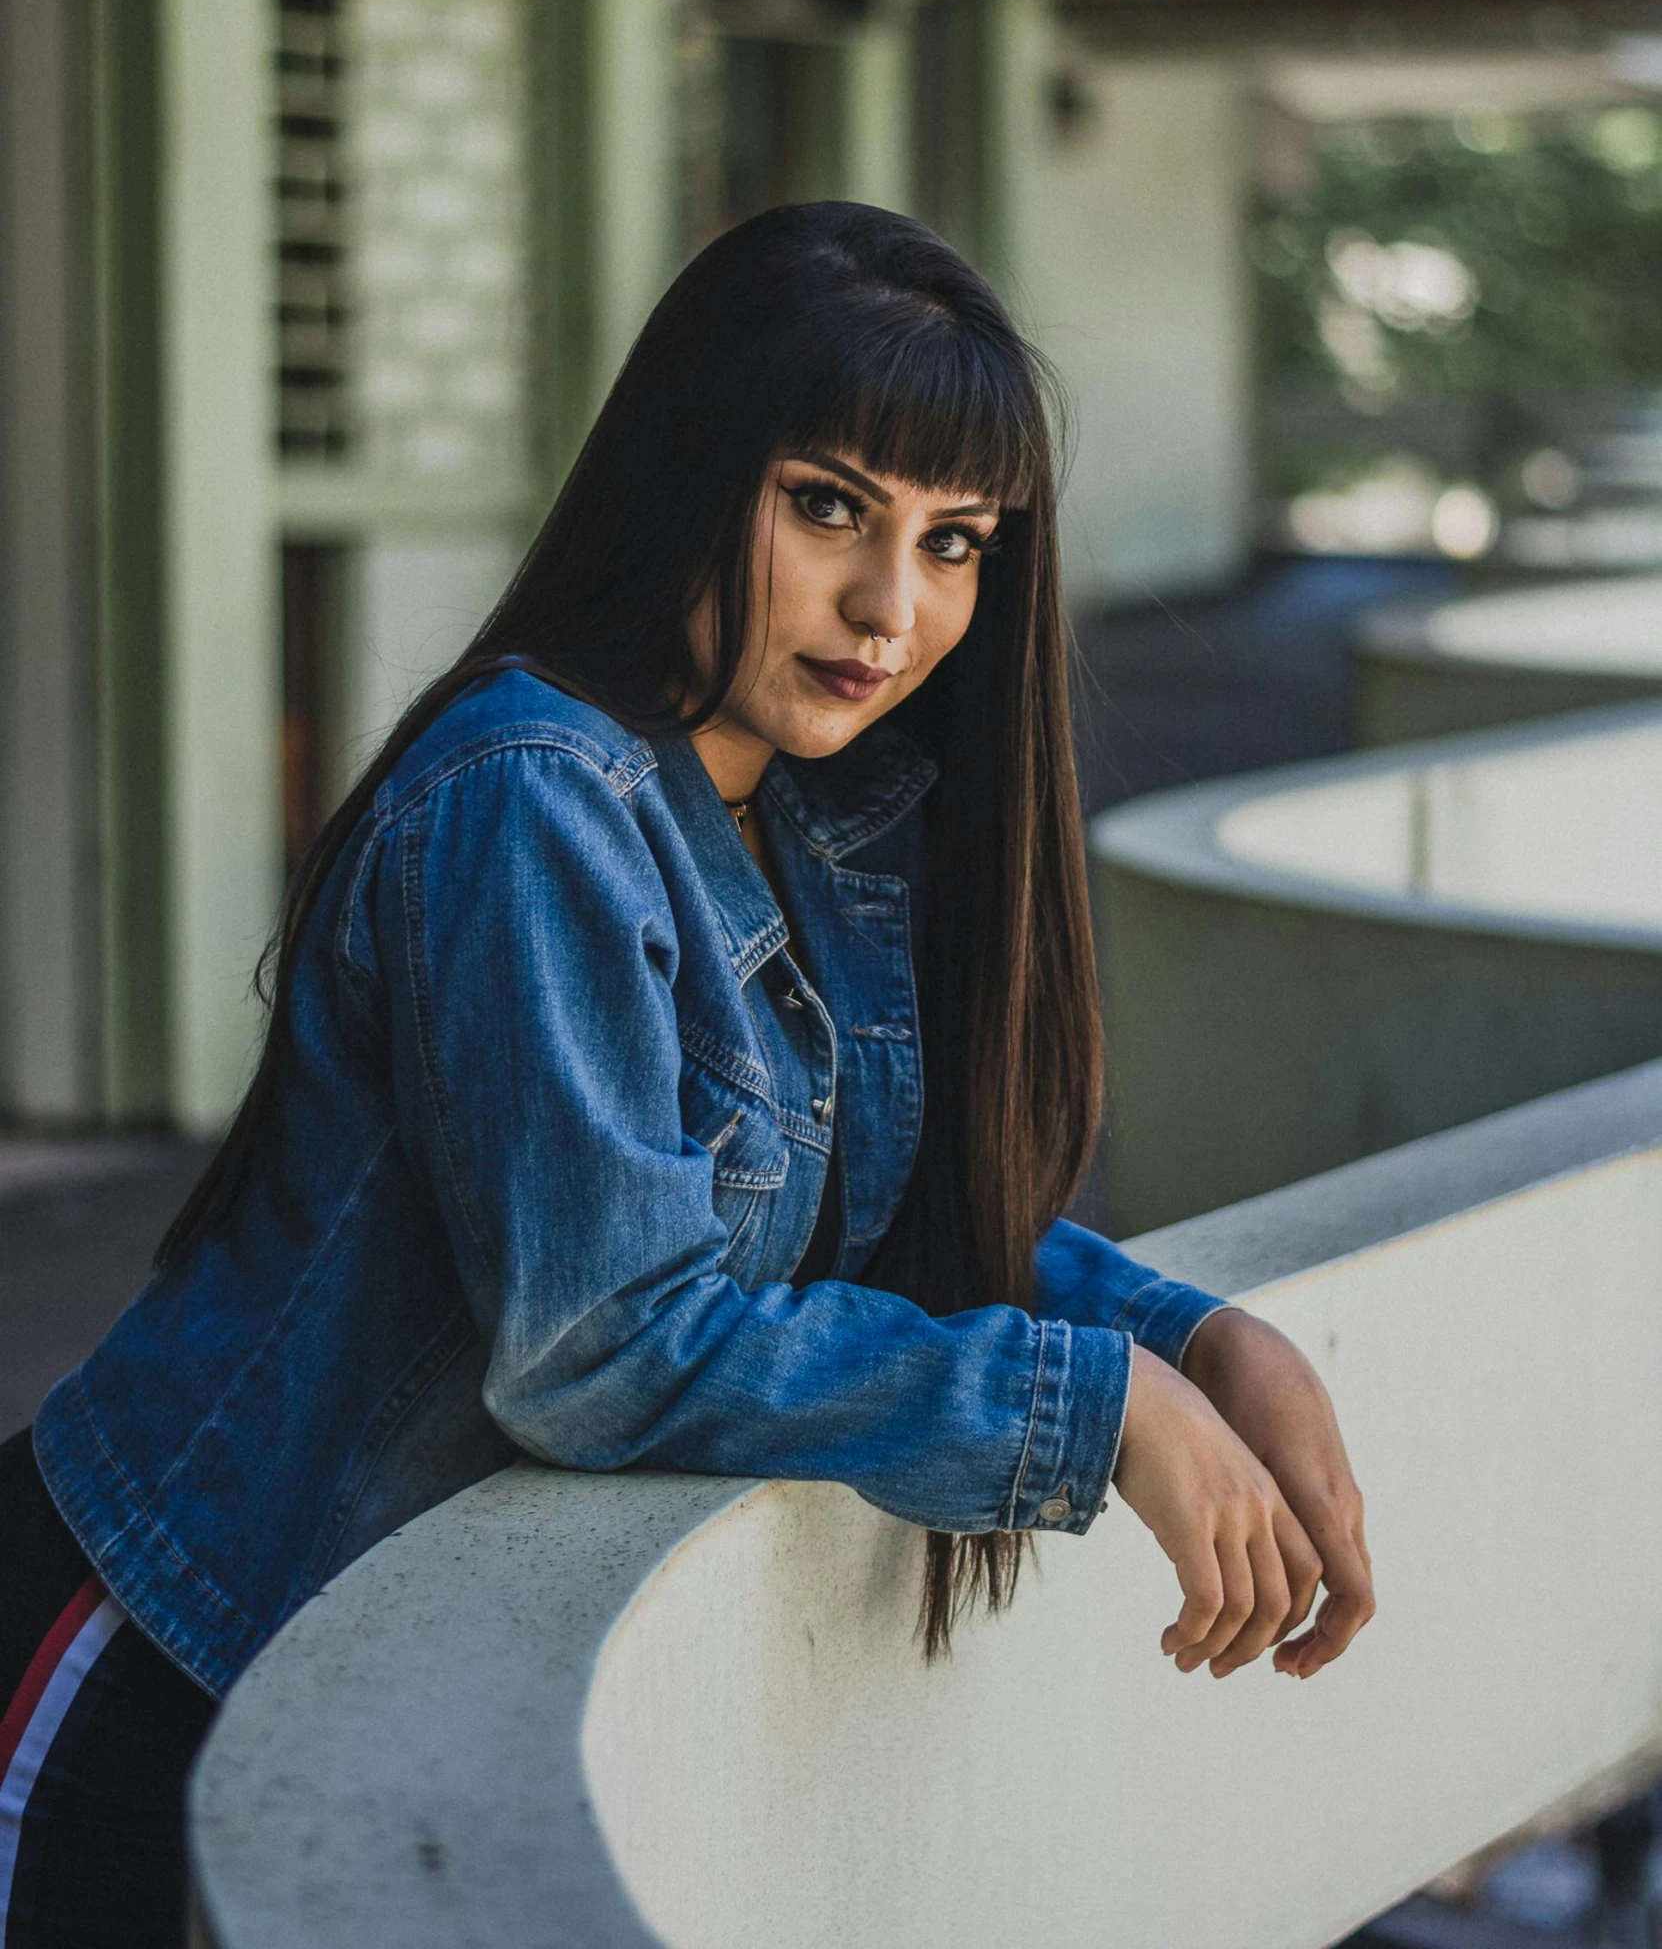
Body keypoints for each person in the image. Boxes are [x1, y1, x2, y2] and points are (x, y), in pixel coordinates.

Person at [0, 204, 1372, 1945]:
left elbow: (858, 1221)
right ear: (688, 473)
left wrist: (1182, 1334)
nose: (893, 607)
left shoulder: (831, 810)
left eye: (957, 542)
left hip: (363, 1668)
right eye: (827, 508)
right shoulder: (533, 798)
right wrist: (1086, 1411)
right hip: (148, 1635)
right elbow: (603, 1345)